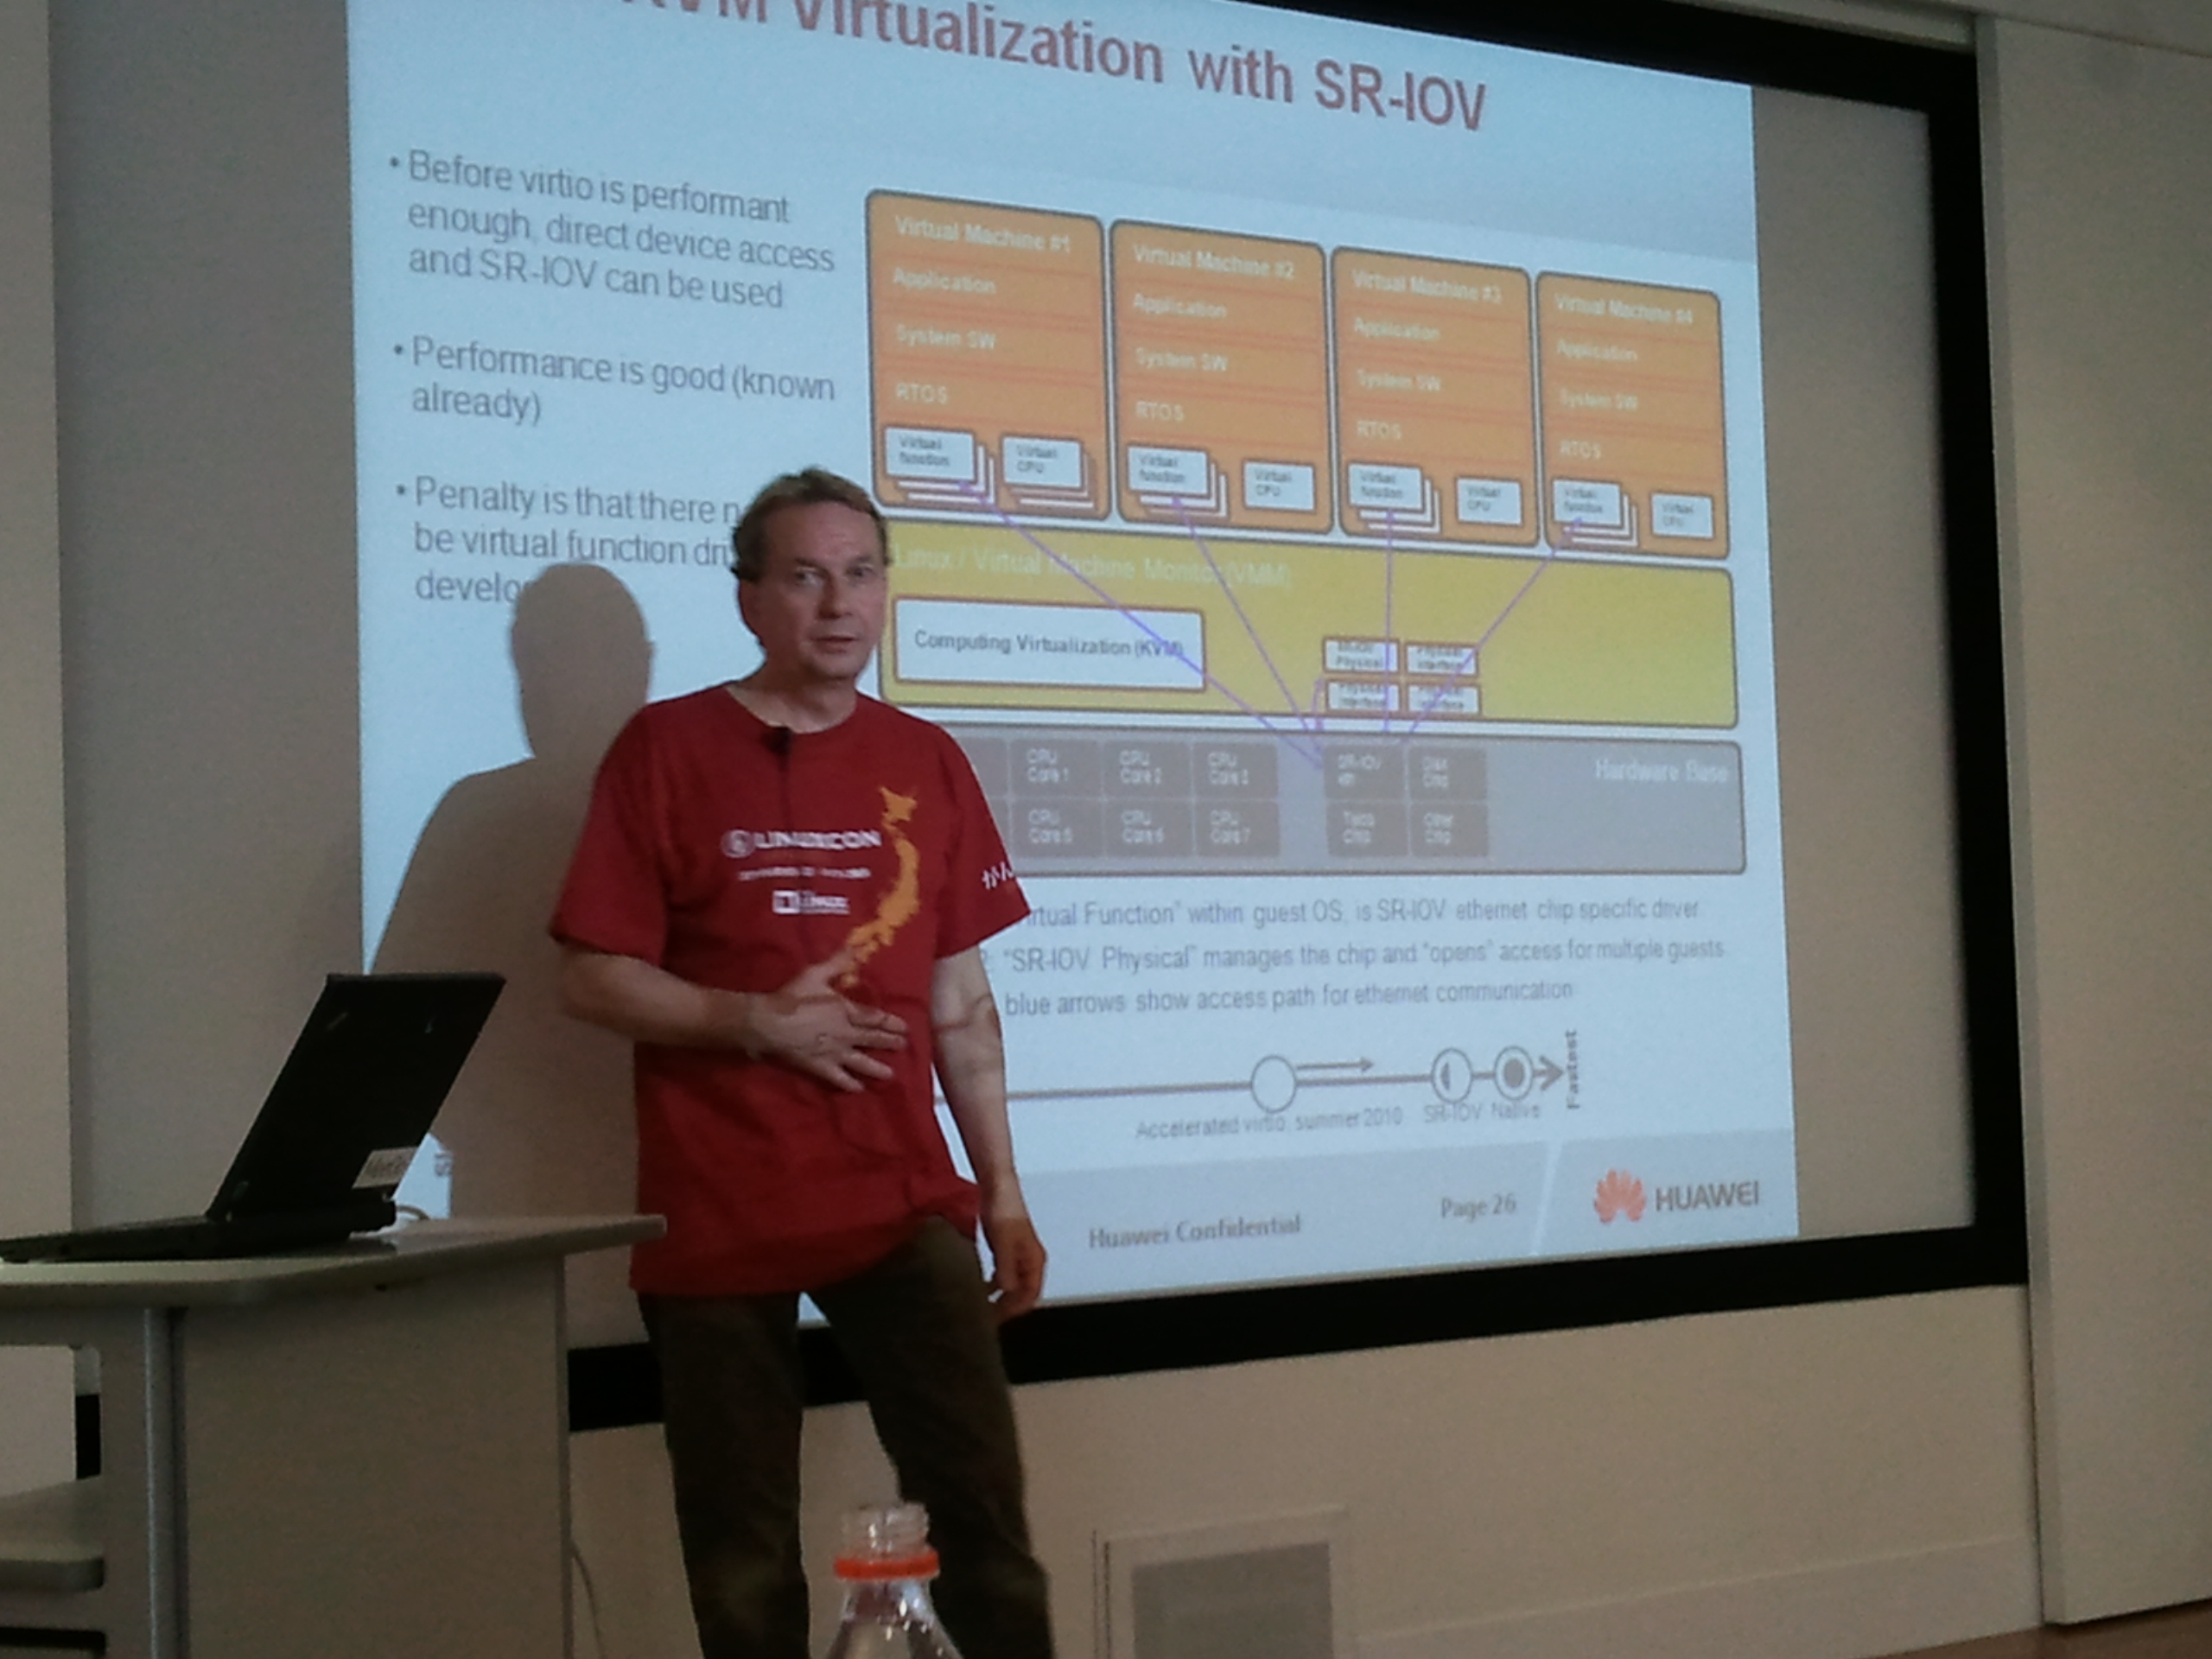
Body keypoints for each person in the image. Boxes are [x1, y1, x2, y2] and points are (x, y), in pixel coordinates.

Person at [550, 467, 1052, 1659]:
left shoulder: (925, 758)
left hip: (898, 1199)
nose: (839, 604)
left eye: (861, 575)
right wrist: (752, 1023)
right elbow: (590, 975)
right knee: (743, 1559)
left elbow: (961, 1004)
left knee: (984, 1523)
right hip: (719, 1208)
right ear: (750, 599)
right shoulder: (666, 748)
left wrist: (1005, 1192)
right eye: (807, 577)